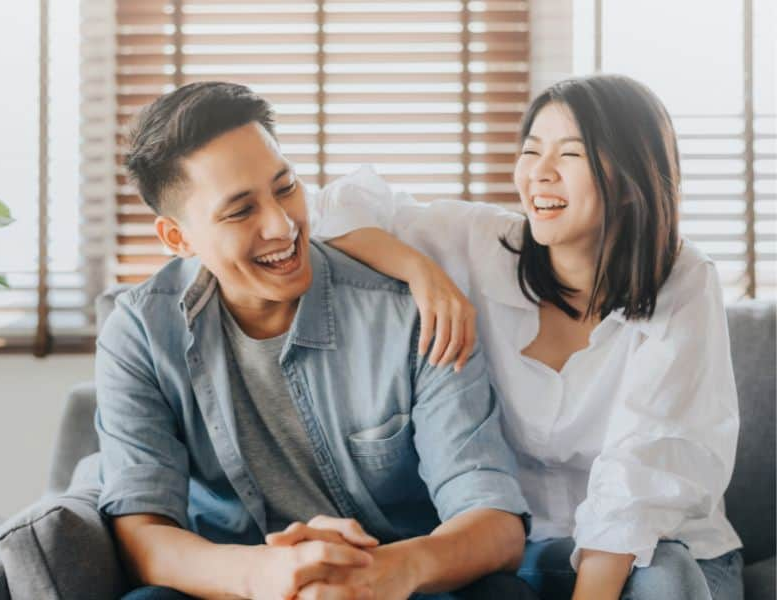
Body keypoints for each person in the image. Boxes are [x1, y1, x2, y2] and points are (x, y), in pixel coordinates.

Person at [95, 81, 536, 600]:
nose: (282, 227)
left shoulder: (409, 312)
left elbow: (495, 523)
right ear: (178, 237)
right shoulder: (141, 330)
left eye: (285, 188)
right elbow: (141, 535)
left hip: (401, 583)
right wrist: (266, 575)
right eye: (240, 211)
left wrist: (386, 574)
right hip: (239, 585)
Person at [312, 74, 744, 600]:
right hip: (533, 549)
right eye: (531, 150)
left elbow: (642, 470)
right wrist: (422, 274)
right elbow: (332, 207)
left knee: (665, 576)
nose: (539, 173)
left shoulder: (684, 278)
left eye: (570, 155)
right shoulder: (480, 243)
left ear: (631, 181)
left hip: (658, 550)